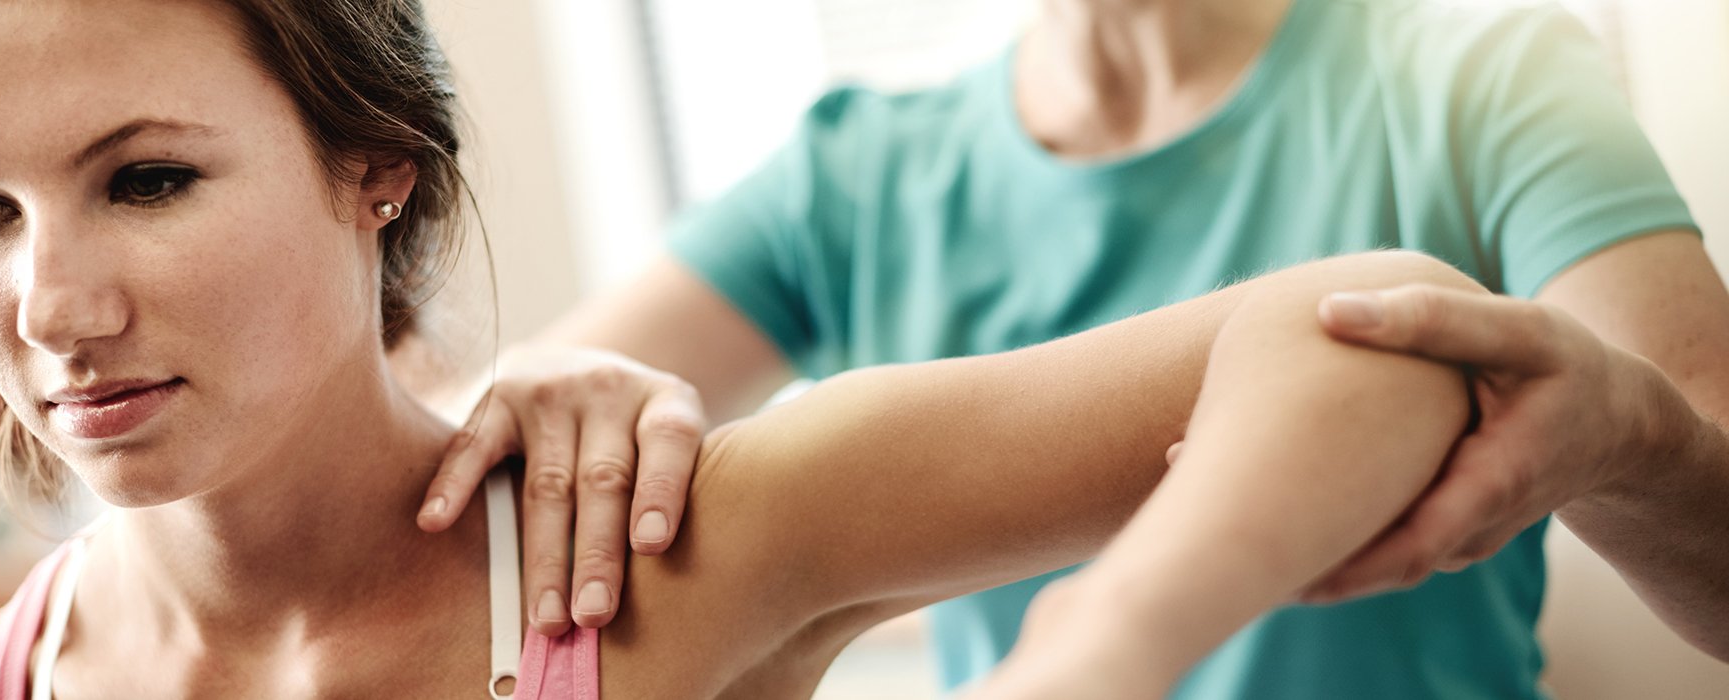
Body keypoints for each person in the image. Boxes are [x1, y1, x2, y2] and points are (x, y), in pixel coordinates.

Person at [0, 0, 1632, 697]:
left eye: (146, 180)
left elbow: (1376, 329)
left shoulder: (656, 554)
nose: (50, 307)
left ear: (373, 168)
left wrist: (1095, 654)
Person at [410, 0, 1729, 695]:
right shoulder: (860, 172)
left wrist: (1632, 430)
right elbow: (457, 463)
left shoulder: (1481, 77)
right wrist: (535, 385)